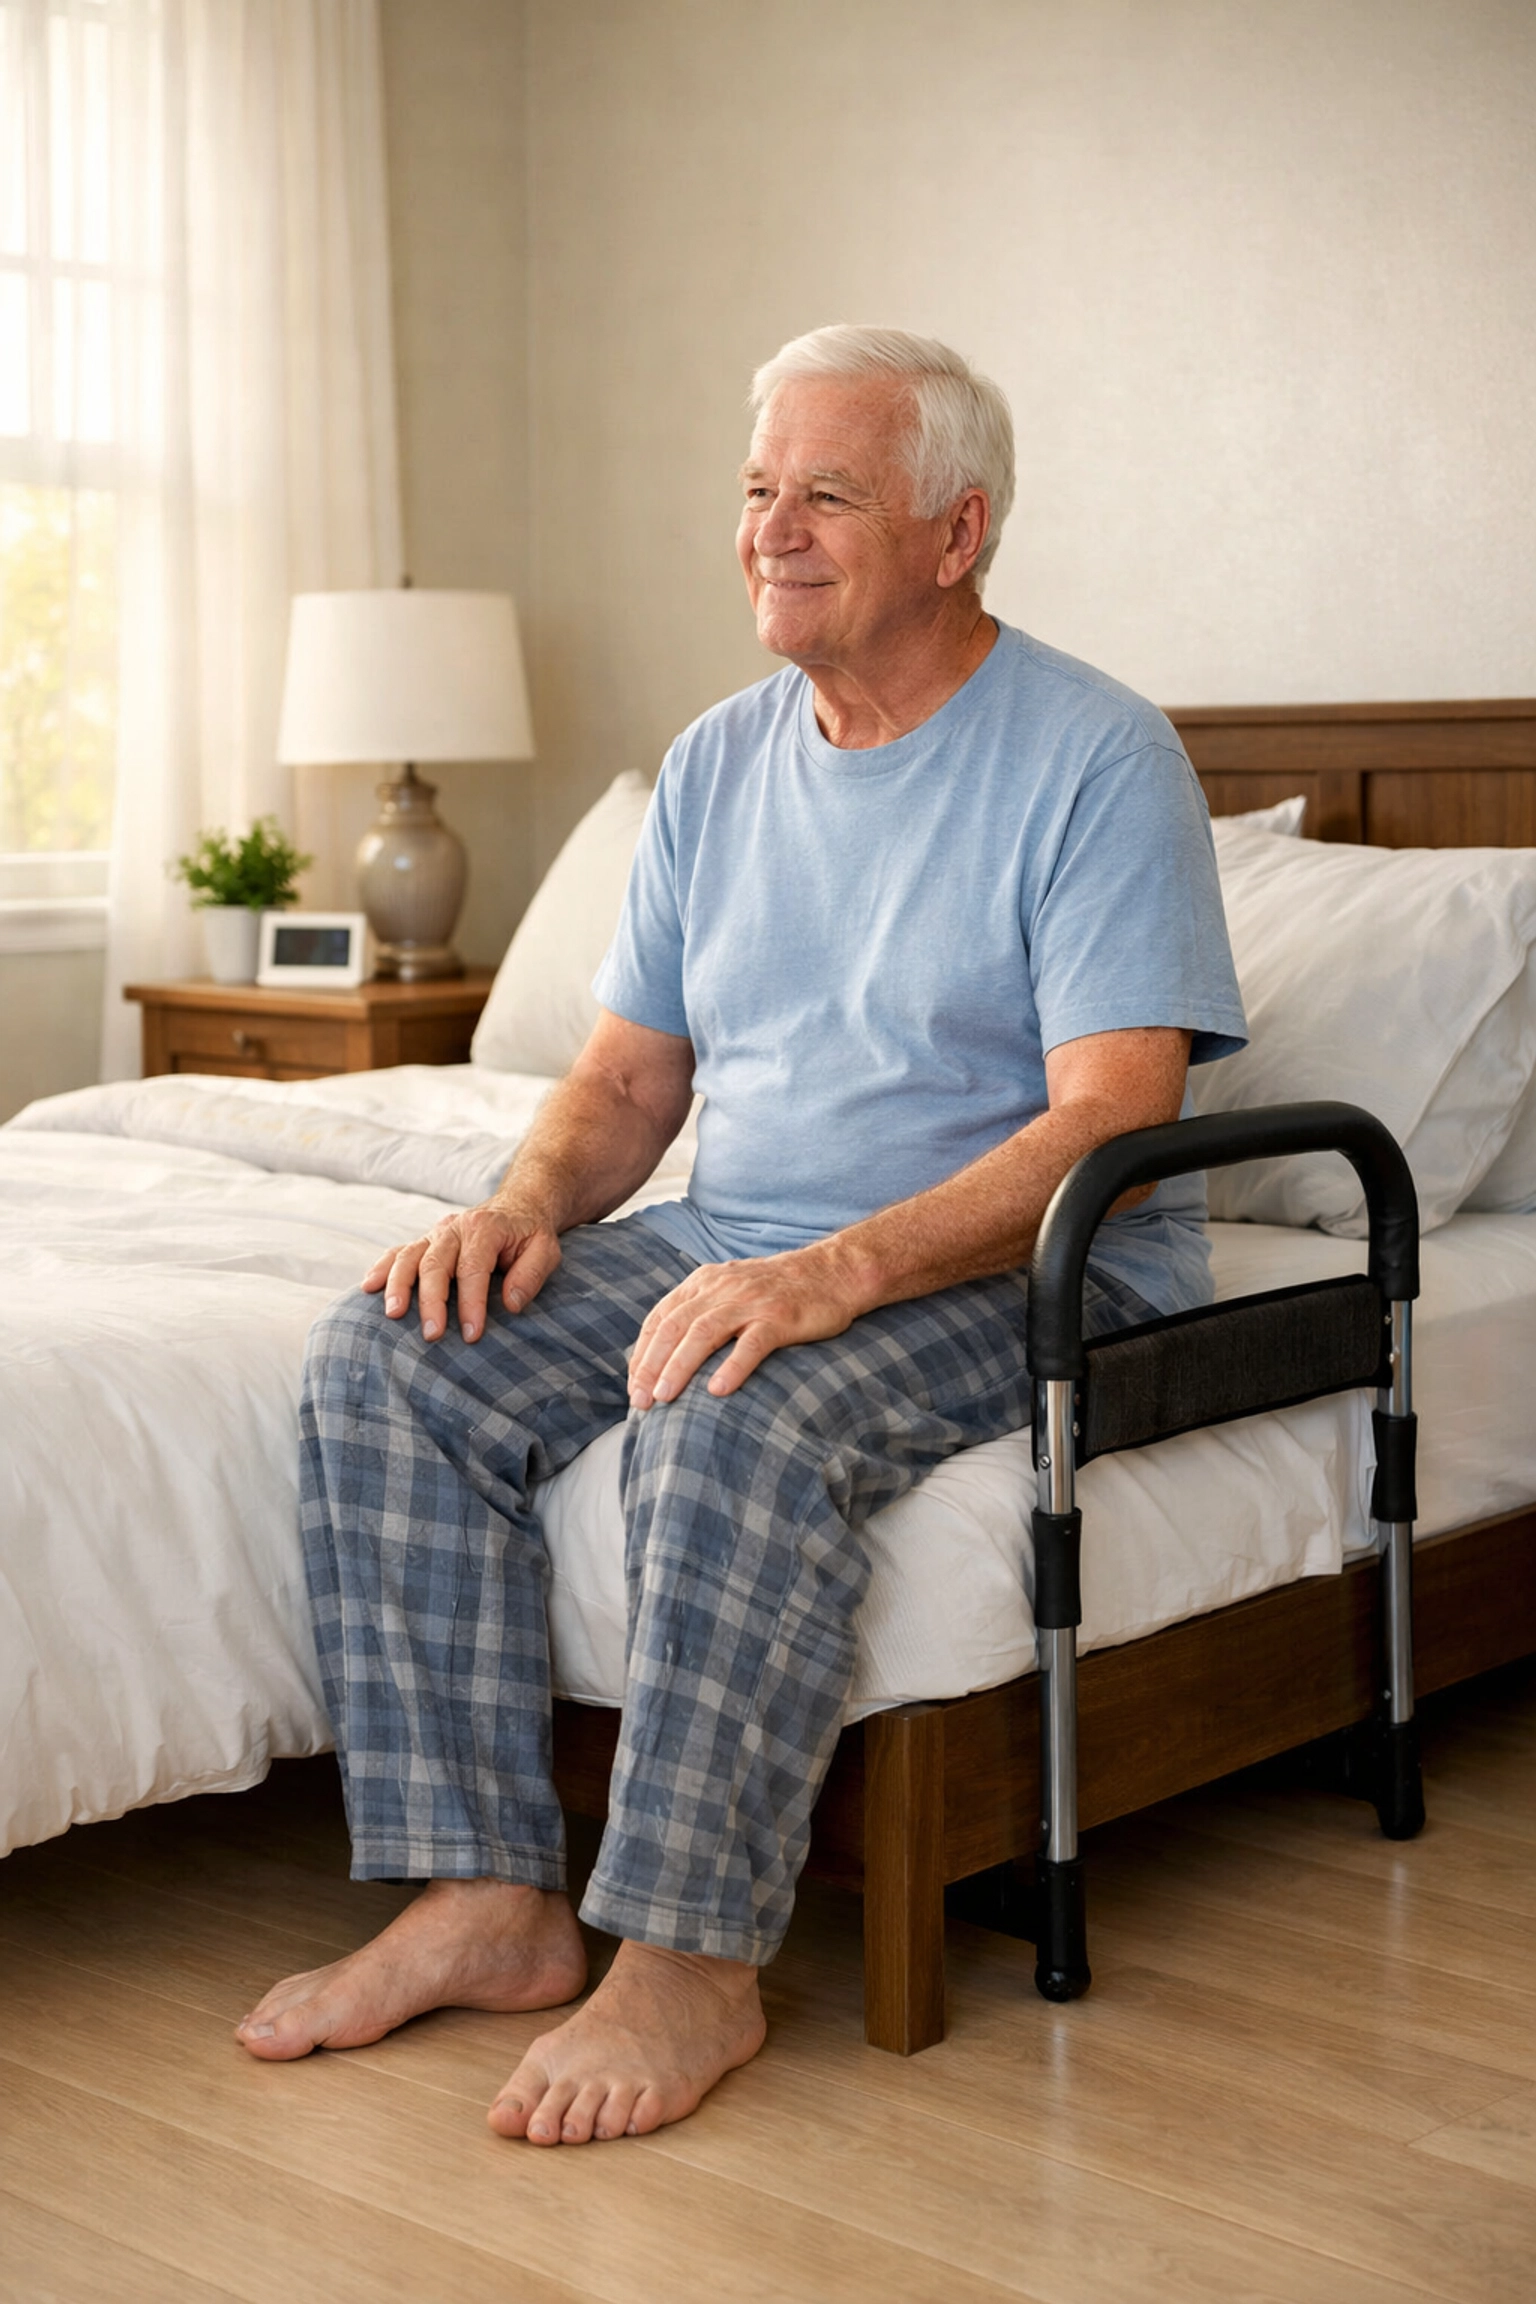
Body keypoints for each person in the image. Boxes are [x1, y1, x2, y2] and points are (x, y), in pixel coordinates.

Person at [237, 325, 1246, 2144]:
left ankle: (691, 1960)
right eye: (757, 490)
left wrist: (832, 1270)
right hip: (747, 1217)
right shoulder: (714, 764)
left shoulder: (1099, 754)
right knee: (392, 1354)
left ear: (958, 531)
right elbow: (628, 1085)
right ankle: (487, 1893)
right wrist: (518, 1210)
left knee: (731, 1404)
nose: (771, 529)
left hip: (1034, 1261)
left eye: (826, 494)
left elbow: (1113, 1117)